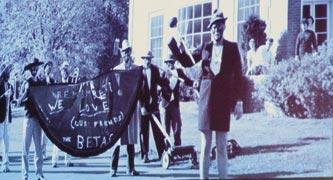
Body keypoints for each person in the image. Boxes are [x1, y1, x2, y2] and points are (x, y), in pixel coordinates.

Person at [168, 9, 243, 179]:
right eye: (214, 27)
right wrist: (174, 45)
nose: (217, 30)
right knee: (205, 145)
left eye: (220, 26)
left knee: (222, 146)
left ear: (224, 26)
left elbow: (238, 76)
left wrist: (239, 102)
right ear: (210, 29)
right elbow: (188, 61)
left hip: (223, 101)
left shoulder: (232, 48)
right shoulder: (205, 47)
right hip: (206, 100)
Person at [110, 39, 140, 176]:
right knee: (117, 140)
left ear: (130, 52)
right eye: (124, 51)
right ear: (121, 54)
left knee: (131, 139)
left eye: (128, 51)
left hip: (132, 108)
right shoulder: (116, 70)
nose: (126, 54)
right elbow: (111, 90)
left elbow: (140, 88)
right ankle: (113, 168)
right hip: (119, 109)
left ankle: (130, 168)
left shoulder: (136, 70)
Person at [19, 58, 47, 180]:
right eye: (33, 68)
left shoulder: (41, 83)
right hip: (28, 118)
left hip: (38, 119)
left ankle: (39, 173)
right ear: (30, 70)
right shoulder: (27, 83)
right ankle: (25, 174)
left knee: (38, 148)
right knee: (25, 147)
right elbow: (19, 101)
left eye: (36, 68)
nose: (34, 70)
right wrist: (26, 93)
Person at [139, 51, 167, 163]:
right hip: (143, 105)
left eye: (149, 58)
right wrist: (141, 106)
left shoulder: (155, 69)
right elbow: (137, 91)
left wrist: (166, 77)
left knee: (158, 129)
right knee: (143, 131)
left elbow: (161, 82)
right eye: (146, 58)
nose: (147, 60)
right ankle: (144, 155)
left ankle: (162, 153)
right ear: (143, 59)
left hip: (154, 105)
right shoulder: (139, 71)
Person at [161, 54, 195, 146]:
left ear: (174, 63)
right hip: (166, 103)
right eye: (168, 62)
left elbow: (187, 80)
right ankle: (166, 147)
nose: (170, 64)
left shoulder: (179, 72)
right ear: (166, 63)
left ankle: (177, 146)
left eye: (171, 62)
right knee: (166, 127)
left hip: (175, 103)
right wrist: (166, 79)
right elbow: (160, 85)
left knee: (177, 126)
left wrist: (194, 83)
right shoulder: (164, 73)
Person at [51, 61, 73, 167]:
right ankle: (54, 160)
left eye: (66, 71)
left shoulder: (71, 82)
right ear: (60, 72)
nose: (64, 73)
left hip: (68, 113)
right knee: (57, 136)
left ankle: (67, 160)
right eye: (63, 71)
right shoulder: (57, 83)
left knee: (68, 137)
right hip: (59, 113)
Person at [40, 61, 55, 160]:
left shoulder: (52, 80)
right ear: (45, 68)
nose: (49, 69)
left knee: (45, 132)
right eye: (47, 67)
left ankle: (43, 152)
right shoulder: (40, 79)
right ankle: (39, 152)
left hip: (48, 107)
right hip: (40, 106)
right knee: (39, 131)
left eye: (50, 67)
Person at [0, 64, 14, 173]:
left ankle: (6, 163)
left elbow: (12, 100)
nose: (8, 74)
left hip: (7, 117)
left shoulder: (10, 86)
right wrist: (4, 95)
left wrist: (11, 96)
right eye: (7, 72)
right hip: (0, 117)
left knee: (6, 141)